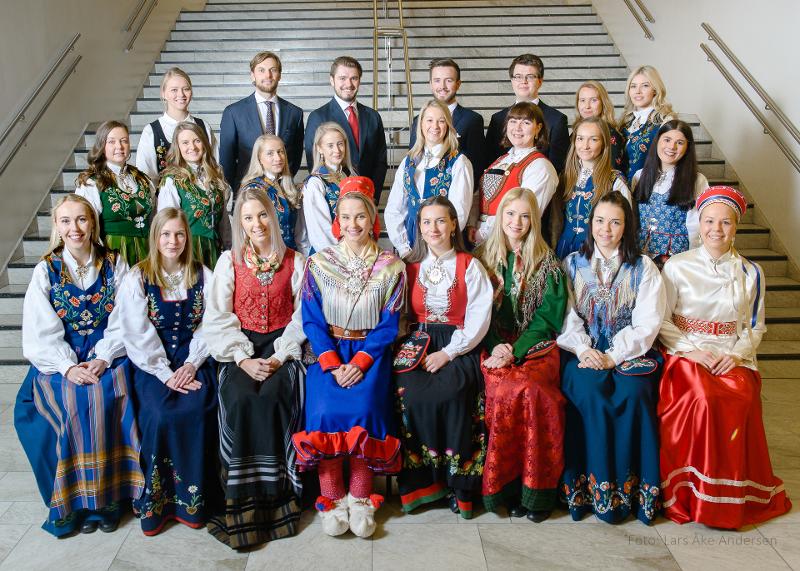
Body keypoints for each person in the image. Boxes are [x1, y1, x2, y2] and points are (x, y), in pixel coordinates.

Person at [658, 186, 792, 529]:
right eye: (709, 221)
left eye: (725, 222)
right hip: (687, 351)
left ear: (736, 227)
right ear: (699, 224)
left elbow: (755, 327)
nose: (716, 229)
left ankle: (730, 493)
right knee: (703, 397)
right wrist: (692, 351)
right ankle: (694, 492)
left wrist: (735, 355)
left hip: (731, 355)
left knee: (742, 396)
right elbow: (663, 321)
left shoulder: (752, 273)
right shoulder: (677, 266)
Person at [15, 194, 143, 537]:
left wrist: (103, 356)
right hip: (62, 356)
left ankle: (108, 500)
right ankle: (74, 503)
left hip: (109, 351)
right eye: (66, 221)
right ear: (57, 227)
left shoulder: (114, 263)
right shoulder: (46, 269)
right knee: (73, 398)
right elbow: (40, 329)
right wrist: (67, 366)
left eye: (82, 219)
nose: (75, 228)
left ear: (93, 223)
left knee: (104, 395)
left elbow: (126, 315)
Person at [292, 178, 405, 538]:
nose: (353, 224)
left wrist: (359, 364)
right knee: (324, 412)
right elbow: (311, 319)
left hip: (370, 354)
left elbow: (388, 325)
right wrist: (332, 363)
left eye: (360, 216)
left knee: (366, 409)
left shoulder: (392, 266)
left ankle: (360, 497)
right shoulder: (318, 263)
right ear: (336, 220)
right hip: (328, 352)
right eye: (346, 216)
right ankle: (332, 497)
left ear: (372, 219)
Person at [202, 187, 307, 549]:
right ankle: (241, 502)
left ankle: (278, 499)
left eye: (262, 215)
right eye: (248, 217)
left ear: (272, 217)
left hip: (281, 348)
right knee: (241, 398)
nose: (256, 223)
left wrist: (280, 356)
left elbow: (301, 317)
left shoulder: (295, 261)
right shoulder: (229, 261)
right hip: (241, 348)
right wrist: (242, 358)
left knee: (275, 397)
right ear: (240, 223)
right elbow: (218, 315)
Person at [557, 192, 666, 525]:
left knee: (634, 393)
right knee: (589, 391)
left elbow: (647, 323)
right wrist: (583, 349)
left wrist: (614, 355)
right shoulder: (572, 263)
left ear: (626, 226)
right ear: (590, 223)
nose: (606, 229)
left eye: (615, 222)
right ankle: (590, 490)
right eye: (600, 221)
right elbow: (566, 316)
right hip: (584, 349)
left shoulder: (643, 267)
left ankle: (629, 492)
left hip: (630, 350)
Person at [119, 208, 220, 535]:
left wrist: (191, 363)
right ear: (155, 237)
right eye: (166, 234)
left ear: (187, 237)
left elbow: (211, 323)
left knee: (199, 409)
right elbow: (137, 333)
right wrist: (165, 374)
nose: (172, 241)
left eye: (179, 234)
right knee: (160, 413)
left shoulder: (203, 274)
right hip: (153, 363)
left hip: (194, 359)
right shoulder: (138, 277)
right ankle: (160, 503)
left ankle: (196, 500)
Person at [394, 196, 492, 519]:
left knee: (453, 392)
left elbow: (478, 319)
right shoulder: (408, 267)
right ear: (419, 228)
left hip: (459, 343)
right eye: (426, 222)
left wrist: (448, 353)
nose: (433, 228)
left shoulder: (469, 265)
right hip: (417, 341)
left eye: (440, 221)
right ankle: (422, 484)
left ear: (453, 225)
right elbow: (399, 314)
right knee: (410, 393)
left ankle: (457, 485)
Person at [475, 187, 568, 522]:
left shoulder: (548, 263)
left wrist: (514, 350)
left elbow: (547, 318)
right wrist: (496, 345)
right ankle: (507, 487)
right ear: (501, 216)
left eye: (525, 216)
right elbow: (476, 310)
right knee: (502, 390)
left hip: (534, 347)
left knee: (532, 390)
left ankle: (536, 492)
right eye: (510, 214)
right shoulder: (482, 258)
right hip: (493, 344)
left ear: (534, 221)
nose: (516, 222)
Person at [385, 99, 473, 258]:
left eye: (441, 121)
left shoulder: (458, 162)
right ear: (421, 124)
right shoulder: (408, 161)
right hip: (410, 244)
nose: (435, 126)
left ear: (448, 126)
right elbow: (394, 209)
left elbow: (459, 212)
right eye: (430, 120)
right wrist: (404, 248)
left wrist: (438, 245)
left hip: (442, 245)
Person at [469, 102, 557, 245]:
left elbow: (526, 213)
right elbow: (479, 195)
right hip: (480, 237)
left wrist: (484, 232)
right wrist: (471, 224)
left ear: (538, 128)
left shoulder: (540, 166)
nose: (517, 128)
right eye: (513, 121)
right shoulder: (501, 160)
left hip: (511, 242)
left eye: (526, 123)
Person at [304, 56, 388, 202]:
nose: (348, 84)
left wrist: (373, 196)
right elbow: (314, 162)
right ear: (332, 80)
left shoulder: (373, 116)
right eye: (342, 78)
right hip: (336, 200)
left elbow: (380, 161)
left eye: (354, 78)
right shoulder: (318, 117)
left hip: (368, 198)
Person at [219, 51, 305, 193]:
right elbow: (226, 160)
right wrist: (237, 193)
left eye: (273, 70)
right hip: (247, 193)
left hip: (282, 192)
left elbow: (295, 158)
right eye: (261, 70)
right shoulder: (233, 113)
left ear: (279, 75)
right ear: (252, 75)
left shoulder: (295, 113)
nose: (268, 75)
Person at [76, 120, 154, 266]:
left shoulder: (142, 179)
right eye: (112, 142)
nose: (119, 146)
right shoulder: (92, 183)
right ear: (102, 146)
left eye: (124, 141)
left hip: (147, 250)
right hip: (114, 252)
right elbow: (85, 227)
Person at [632, 119, 709, 266]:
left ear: (687, 147)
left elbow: (696, 225)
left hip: (676, 258)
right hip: (641, 254)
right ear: (658, 141)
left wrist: (695, 261)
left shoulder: (697, 180)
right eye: (667, 140)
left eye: (679, 143)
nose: (672, 147)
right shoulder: (639, 176)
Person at [551, 117, 630, 259]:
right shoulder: (565, 177)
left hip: (596, 252)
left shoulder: (614, 181)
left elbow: (626, 225)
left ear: (603, 143)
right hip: (563, 249)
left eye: (593, 139)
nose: (585, 146)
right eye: (580, 139)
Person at [157, 121, 231, 268]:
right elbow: (166, 224)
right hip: (188, 250)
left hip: (215, 248)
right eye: (185, 143)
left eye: (197, 140)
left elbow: (223, 220)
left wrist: (229, 247)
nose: (192, 147)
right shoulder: (172, 180)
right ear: (178, 147)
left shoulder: (215, 175)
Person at [485, 54, 569, 173]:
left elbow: (558, 167)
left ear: (540, 81)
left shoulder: (557, 120)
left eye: (530, 77)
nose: (523, 82)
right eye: (518, 76)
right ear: (512, 80)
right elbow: (489, 162)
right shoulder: (497, 119)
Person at [408, 58, 486, 177]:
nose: (442, 86)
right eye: (437, 80)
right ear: (430, 84)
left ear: (458, 84)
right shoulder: (418, 120)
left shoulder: (472, 120)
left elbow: (477, 166)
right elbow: (413, 159)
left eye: (449, 80)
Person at [136, 67, 216, 181]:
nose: (181, 94)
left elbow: (215, 166)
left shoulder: (203, 127)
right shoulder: (151, 131)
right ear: (163, 93)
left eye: (186, 89)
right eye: (174, 90)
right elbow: (145, 176)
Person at [239, 134, 308, 253]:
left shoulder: (285, 185)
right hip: (267, 256)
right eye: (270, 153)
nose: (278, 158)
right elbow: (247, 233)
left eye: (280, 152)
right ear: (259, 158)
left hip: (291, 254)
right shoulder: (253, 189)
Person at [303, 122, 355, 254]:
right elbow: (320, 231)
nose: (337, 150)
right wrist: (342, 256)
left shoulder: (349, 176)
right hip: (329, 255)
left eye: (340, 144)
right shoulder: (315, 183)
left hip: (353, 251)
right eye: (330, 145)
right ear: (319, 148)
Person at [619, 65, 674, 181]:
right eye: (633, 86)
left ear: (655, 90)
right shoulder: (625, 121)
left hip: (647, 186)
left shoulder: (665, 121)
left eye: (645, 86)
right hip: (621, 188)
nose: (637, 91)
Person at [574, 80, 627, 175]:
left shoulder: (610, 134)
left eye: (593, 100)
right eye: (582, 100)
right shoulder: (576, 131)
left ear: (603, 103)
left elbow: (611, 174)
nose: (587, 106)